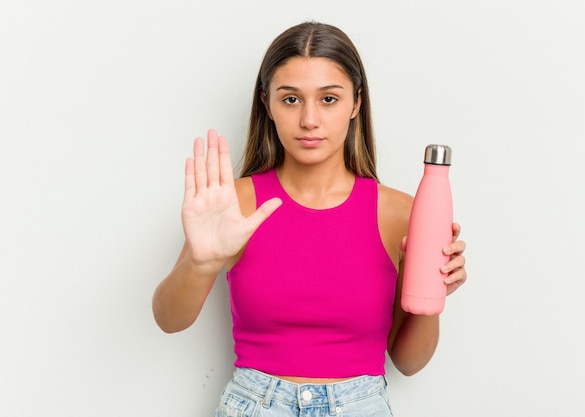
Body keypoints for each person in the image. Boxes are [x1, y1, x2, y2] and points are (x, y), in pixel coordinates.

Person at [152, 21, 467, 417]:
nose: (309, 120)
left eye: (329, 99)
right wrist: (201, 263)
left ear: (356, 103)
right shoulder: (234, 203)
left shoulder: (401, 213)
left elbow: (408, 362)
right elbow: (169, 320)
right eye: (291, 99)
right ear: (267, 103)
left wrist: (432, 297)